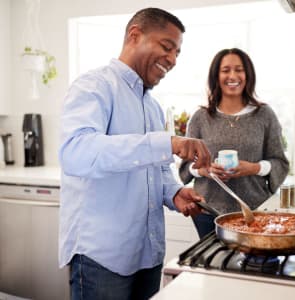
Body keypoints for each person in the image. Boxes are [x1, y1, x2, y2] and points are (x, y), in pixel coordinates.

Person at [58, 8, 211, 300]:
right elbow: (76, 153)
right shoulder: (94, 87)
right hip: (103, 258)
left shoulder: (151, 106)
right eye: (167, 47)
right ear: (135, 35)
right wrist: (167, 143)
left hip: (148, 254)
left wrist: (175, 193)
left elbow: (154, 170)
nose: (173, 59)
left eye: (177, 53)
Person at [179, 48, 289, 238]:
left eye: (239, 70)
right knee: (213, 264)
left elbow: (280, 162)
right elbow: (186, 168)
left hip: (254, 212)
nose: (233, 76)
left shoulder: (264, 115)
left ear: (248, 75)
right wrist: (205, 171)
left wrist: (253, 168)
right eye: (225, 70)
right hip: (208, 212)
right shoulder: (200, 118)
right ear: (216, 76)